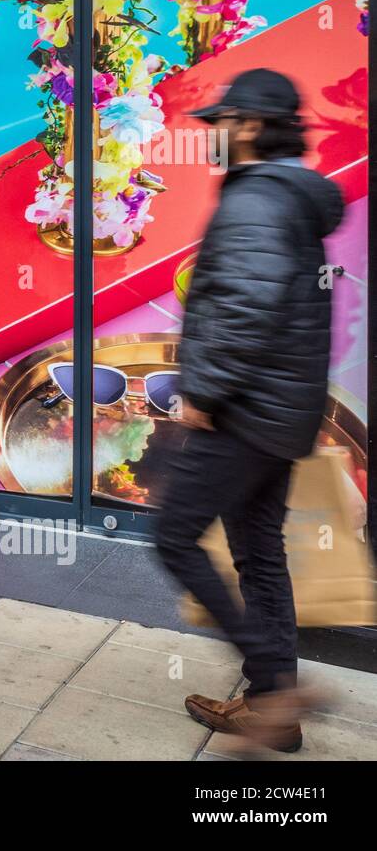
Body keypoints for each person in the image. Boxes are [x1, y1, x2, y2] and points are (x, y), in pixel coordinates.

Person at [156, 68, 344, 753]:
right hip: (279, 414)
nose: (214, 137)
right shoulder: (289, 198)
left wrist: (202, 391)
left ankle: (274, 682)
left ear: (254, 127)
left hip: (241, 411)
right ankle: (275, 709)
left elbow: (245, 307)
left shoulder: (255, 202)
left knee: (174, 536)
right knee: (260, 555)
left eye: (224, 123)